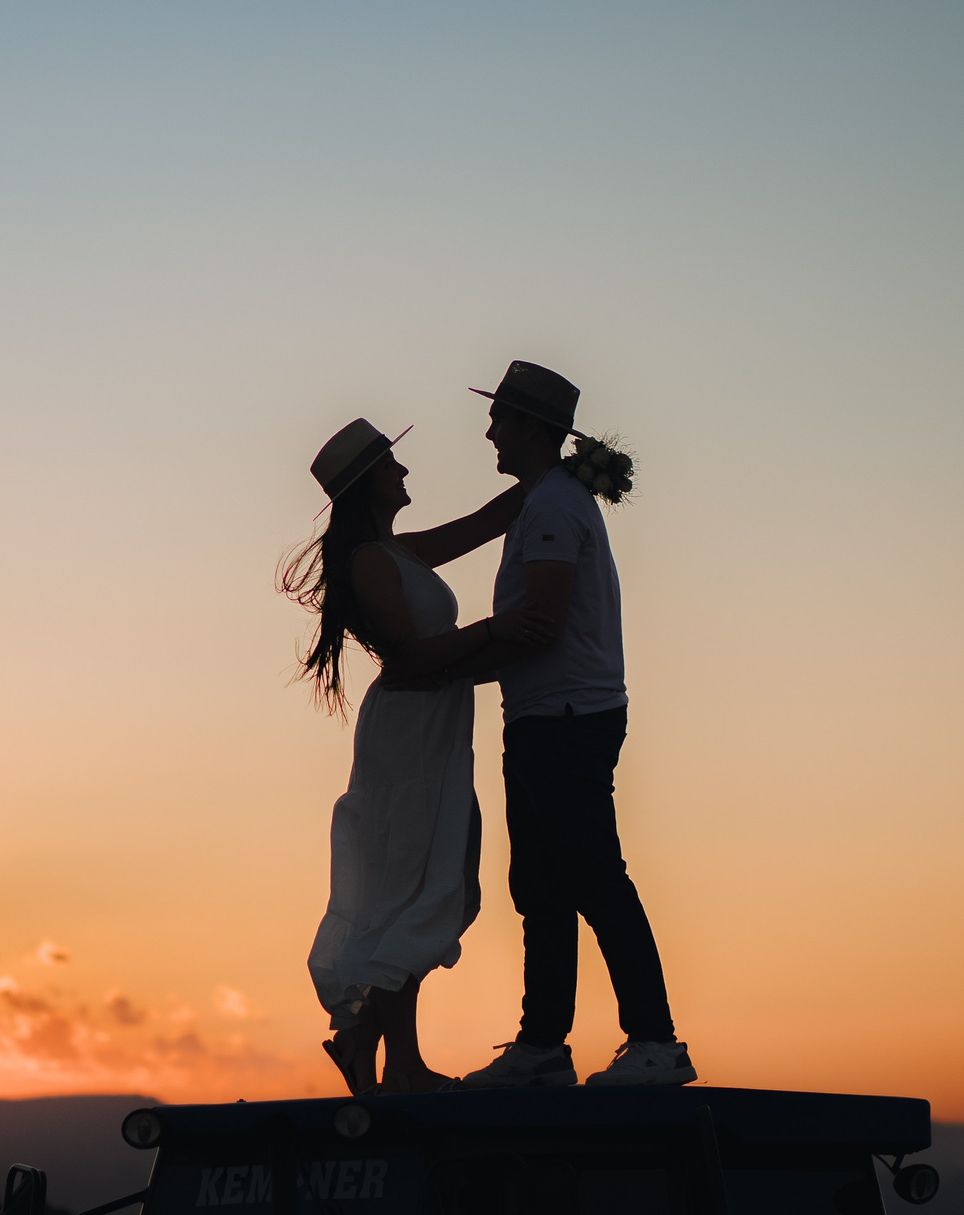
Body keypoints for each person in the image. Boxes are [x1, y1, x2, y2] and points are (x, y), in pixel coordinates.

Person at [449, 361, 695, 1088]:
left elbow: (543, 625)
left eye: (498, 417)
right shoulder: (540, 502)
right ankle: (543, 1047)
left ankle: (655, 1041)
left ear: (529, 427)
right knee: (542, 886)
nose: (488, 428)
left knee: (591, 876)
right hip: (541, 717)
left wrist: (445, 667)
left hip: (565, 719)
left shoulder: (553, 507)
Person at [285, 418, 540, 1094]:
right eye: (392, 467)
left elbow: (488, 522)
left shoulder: (395, 552)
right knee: (410, 883)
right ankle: (393, 1055)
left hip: (435, 726)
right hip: (409, 734)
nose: (404, 474)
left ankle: (381, 1046)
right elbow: (410, 653)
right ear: (370, 482)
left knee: (432, 878)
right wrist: (495, 629)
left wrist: (562, 470)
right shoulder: (373, 561)